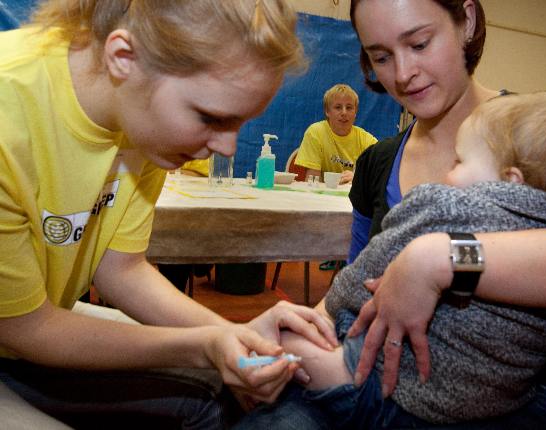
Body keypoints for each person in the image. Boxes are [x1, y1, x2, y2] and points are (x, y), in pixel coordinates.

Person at [0, 1, 338, 428]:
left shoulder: (141, 109)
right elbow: (26, 329)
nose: (227, 148)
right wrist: (205, 345)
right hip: (21, 332)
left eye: (239, 123)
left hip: (32, 323)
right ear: (124, 58)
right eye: (211, 118)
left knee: (225, 394)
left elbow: (120, 271)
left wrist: (235, 336)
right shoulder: (8, 111)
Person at [233, 90, 546, 428]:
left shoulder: (444, 205)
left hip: (393, 387)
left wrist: (325, 315)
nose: (447, 173)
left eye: (459, 161)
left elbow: (368, 267)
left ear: (510, 180)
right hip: (496, 398)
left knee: (282, 343)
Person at [344, 0, 546, 428]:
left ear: (468, 21)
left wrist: (447, 259)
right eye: (381, 57)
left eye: (420, 43)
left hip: (531, 391)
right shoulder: (376, 161)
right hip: (384, 376)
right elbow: (355, 282)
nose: (402, 73)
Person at [294, 83, 377, 185]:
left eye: (349, 107)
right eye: (338, 107)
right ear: (327, 111)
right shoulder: (315, 133)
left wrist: (358, 177)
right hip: (322, 198)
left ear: (355, 112)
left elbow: (381, 176)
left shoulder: (366, 140)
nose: (344, 113)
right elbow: (312, 182)